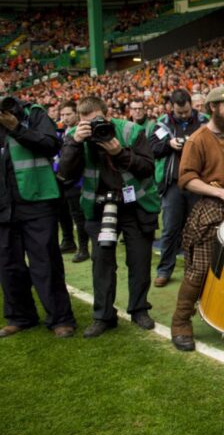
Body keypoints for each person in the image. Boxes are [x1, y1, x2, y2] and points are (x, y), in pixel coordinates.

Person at [59, 96, 159, 337]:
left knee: (139, 260)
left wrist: (119, 152)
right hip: (99, 205)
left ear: (108, 113)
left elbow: (147, 167)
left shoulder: (130, 130)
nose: (93, 128)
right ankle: (103, 315)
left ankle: (139, 309)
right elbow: (65, 174)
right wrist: (75, 142)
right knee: (101, 263)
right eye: (87, 123)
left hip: (135, 204)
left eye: (97, 122)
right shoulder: (75, 136)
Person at [170, 87, 224, 352]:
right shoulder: (198, 139)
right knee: (200, 268)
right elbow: (186, 179)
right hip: (210, 210)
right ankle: (181, 323)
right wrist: (218, 191)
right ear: (213, 108)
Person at [0, 96, 76, 339]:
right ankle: (20, 316)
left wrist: (17, 129)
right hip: (3, 204)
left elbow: (51, 145)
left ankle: (60, 318)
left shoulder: (34, 113)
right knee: (8, 264)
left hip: (37, 200)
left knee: (46, 262)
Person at [149, 89, 207, 287]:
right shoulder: (162, 124)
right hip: (173, 185)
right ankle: (164, 270)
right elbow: (152, 149)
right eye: (179, 112)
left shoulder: (204, 121)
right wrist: (169, 144)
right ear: (171, 108)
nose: (183, 115)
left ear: (191, 105)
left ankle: (196, 271)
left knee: (198, 230)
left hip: (199, 184)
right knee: (170, 229)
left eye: (186, 111)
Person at [58, 100, 90, 263]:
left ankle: (83, 249)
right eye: (62, 115)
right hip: (66, 181)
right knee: (70, 214)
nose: (65, 118)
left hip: (78, 181)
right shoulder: (63, 132)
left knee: (80, 217)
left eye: (68, 114)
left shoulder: (80, 133)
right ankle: (70, 242)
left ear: (77, 114)